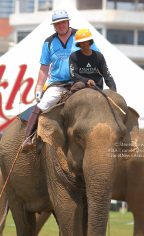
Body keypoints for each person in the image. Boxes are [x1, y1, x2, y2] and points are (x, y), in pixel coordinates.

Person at [22, 10, 100, 151]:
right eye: (58, 23)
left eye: (63, 22)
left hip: (81, 82)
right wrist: (39, 87)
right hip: (57, 84)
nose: (61, 25)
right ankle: (27, 138)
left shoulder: (81, 36)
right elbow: (44, 68)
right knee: (42, 105)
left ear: (68, 22)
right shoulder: (49, 42)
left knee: (97, 104)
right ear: (54, 26)